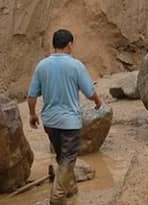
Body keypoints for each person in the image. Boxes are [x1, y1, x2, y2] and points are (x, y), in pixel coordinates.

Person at [27, 29, 104, 205]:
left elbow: (31, 95)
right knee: (68, 158)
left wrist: (32, 114)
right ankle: (57, 197)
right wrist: (98, 102)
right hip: (70, 122)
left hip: (50, 121)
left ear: (54, 45)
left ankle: (71, 189)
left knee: (62, 158)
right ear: (69, 45)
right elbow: (89, 91)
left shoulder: (42, 65)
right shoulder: (76, 65)